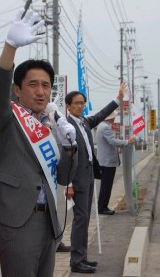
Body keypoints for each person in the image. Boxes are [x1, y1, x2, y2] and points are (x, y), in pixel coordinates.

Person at [0, 8, 78, 277]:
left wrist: (68, 146)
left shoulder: (50, 125)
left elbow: (65, 176)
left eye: (46, 85)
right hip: (17, 220)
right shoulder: (6, 119)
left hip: (48, 221)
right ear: (17, 89)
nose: (41, 91)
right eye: (33, 84)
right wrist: (10, 47)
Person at [64, 85, 127, 274]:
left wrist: (118, 99)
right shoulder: (66, 126)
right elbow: (65, 158)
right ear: (68, 105)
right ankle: (76, 261)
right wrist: (68, 184)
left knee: (84, 220)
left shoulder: (84, 122)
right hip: (76, 180)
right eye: (76, 103)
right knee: (80, 220)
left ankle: (82, 257)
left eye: (82, 103)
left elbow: (100, 115)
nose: (80, 106)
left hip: (88, 177)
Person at [97, 110, 136, 215]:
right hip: (107, 162)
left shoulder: (101, 126)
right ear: (110, 117)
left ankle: (102, 206)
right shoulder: (105, 127)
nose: (114, 118)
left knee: (105, 185)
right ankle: (102, 207)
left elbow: (109, 143)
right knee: (106, 185)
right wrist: (127, 141)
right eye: (114, 116)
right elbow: (112, 141)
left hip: (104, 161)